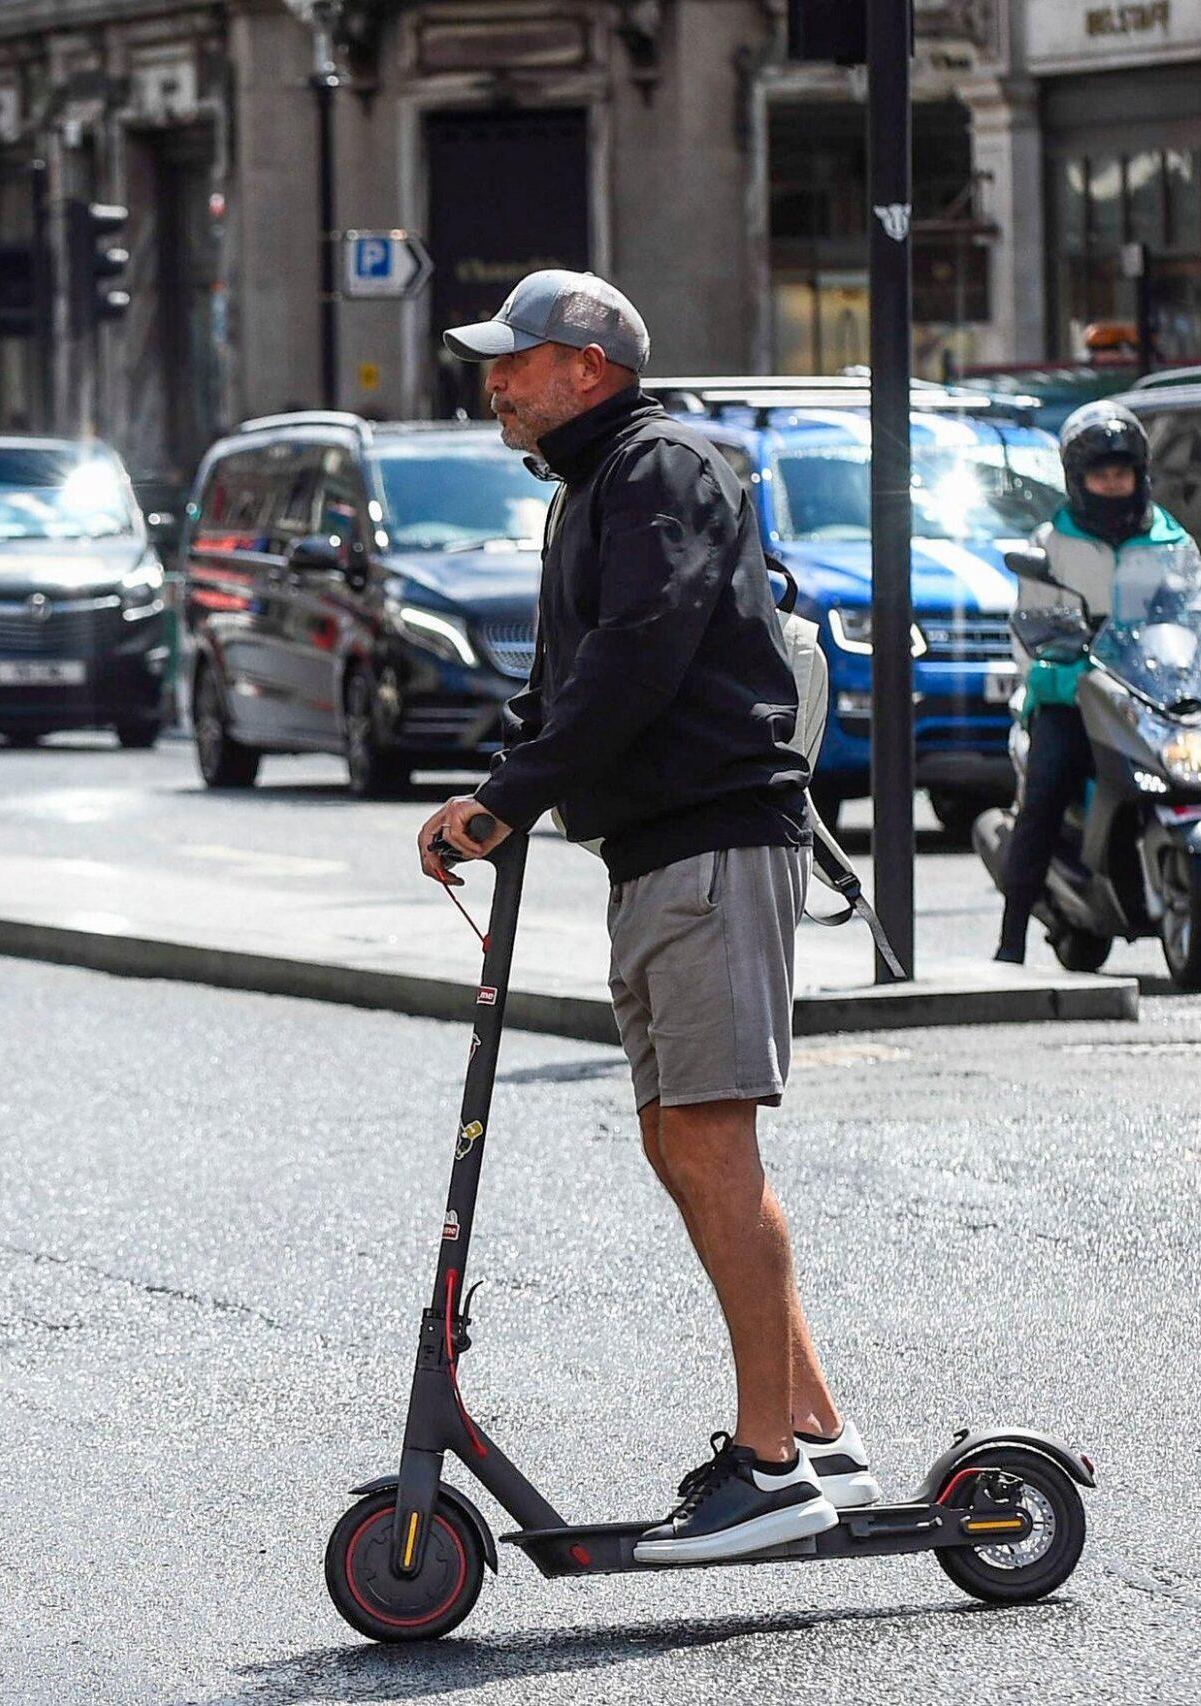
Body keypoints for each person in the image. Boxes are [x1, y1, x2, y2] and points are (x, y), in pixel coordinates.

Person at [416, 270, 877, 1564]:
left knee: (713, 1141)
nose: (493, 381)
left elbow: (643, 649)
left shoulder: (662, 468)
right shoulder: (594, 484)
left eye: (515, 361)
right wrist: (494, 791)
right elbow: (567, 675)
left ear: (590, 368)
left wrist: (513, 801)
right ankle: (816, 1426)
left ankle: (773, 1467)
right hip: (659, 851)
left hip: (716, 841)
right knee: (680, 1142)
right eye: (494, 363)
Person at [993, 400, 1191, 964]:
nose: (1112, 484)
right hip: (1071, 700)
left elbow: (1196, 612)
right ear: (1078, 481)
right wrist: (1057, 667)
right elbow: (1029, 629)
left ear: (1139, 474)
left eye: (1120, 473)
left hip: (1152, 700)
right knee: (1046, 793)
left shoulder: (1171, 541)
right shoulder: (1051, 542)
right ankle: (1010, 938)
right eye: (1100, 475)